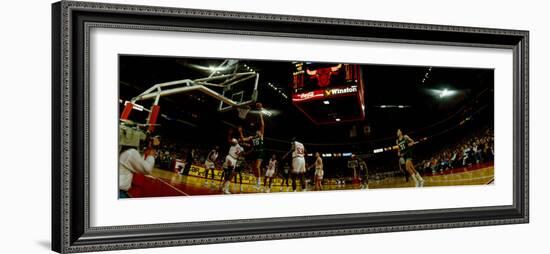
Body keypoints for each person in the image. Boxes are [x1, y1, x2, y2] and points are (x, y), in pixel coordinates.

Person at [238, 102, 266, 190]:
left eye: (259, 131)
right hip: (254, 152)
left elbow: (262, 125)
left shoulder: (261, 136)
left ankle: (258, 182)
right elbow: (243, 139)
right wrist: (240, 132)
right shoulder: (252, 137)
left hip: (260, 153)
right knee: (253, 168)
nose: (258, 131)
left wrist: (260, 114)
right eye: (257, 131)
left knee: (257, 167)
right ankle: (257, 181)